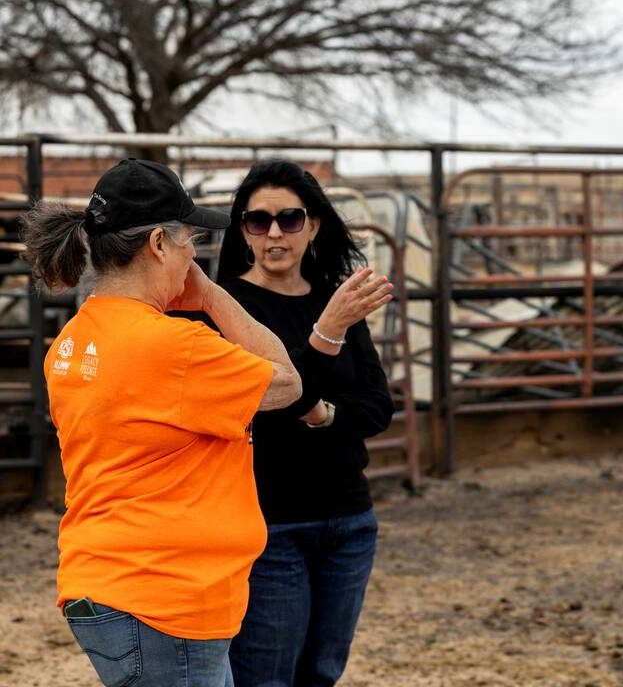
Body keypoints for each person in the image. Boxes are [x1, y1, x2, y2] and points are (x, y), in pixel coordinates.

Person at [20, 158, 304, 687]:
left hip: (110, 580)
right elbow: (287, 381)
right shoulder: (173, 348)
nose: (193, 254)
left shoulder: (73, 340)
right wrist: (213, 297)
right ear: (157, 243)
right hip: (166, 596)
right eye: (188, 239)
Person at [215, 159, 395, 687]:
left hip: (349, 519)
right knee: (267, 677)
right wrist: (326, 335)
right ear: (242, 230)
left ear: (313, 226)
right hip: (271, 523)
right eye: (258, 220)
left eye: (290, 219)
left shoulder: (335, 299)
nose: (274, 233)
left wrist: (320, 414)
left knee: (322, 672)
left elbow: (378, 407)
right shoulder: (225, 307)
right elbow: (258, 405)